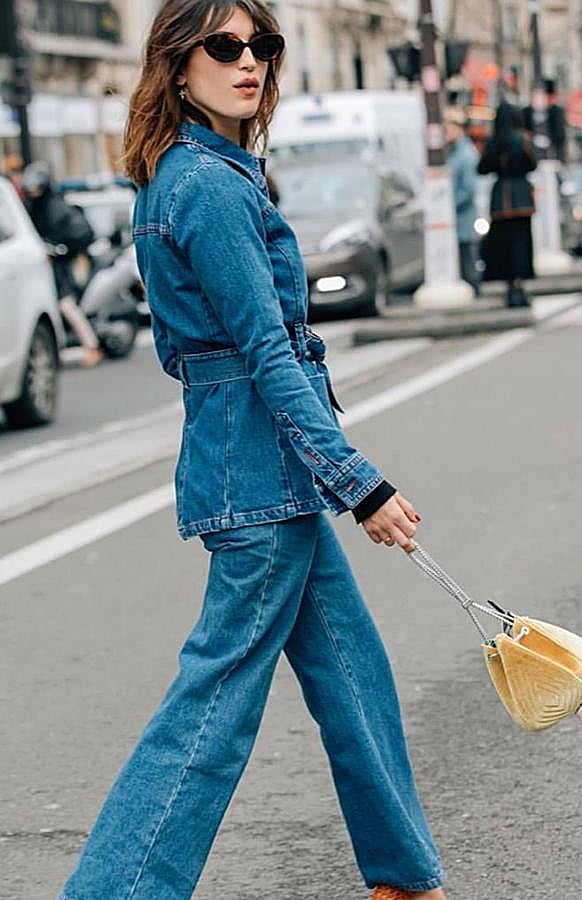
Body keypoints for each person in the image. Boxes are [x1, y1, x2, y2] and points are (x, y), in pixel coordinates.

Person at [57, 2, 447, 899]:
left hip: (263, 470)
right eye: (224, 46)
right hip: (263, 477)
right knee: (214, 706)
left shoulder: (188, 177)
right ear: (177, 62)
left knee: (354, 675)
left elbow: (185, 351)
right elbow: (267, 351)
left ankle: (405, 875)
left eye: (262, 46)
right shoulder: (208, 186)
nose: (250, 63)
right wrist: (361, 484)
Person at [22, 161, 103, 367]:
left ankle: (92, 345)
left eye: (37, 187)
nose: (34, 192)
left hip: (68, 262)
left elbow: (81, 234)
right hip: (45, 264)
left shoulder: (58, 208)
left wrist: (59, 249)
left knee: (66, 305)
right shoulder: (30, 208)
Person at [478, 101, 537, 308]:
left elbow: (482, 167)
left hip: (500, 200)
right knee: (521, 243)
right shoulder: (522, 140)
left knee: (504, 245)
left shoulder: (494, 142)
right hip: (521, 197)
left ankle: (509, 284)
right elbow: (533, 163)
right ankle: (519, 284)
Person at [444, 106, 480, 296]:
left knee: (467, 261)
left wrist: (448, 206)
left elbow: (468, 188)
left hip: (463, 219)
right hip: (455, 221)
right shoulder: (451, 153)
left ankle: (474, 290)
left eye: (449, 128)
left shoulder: (466, 154)